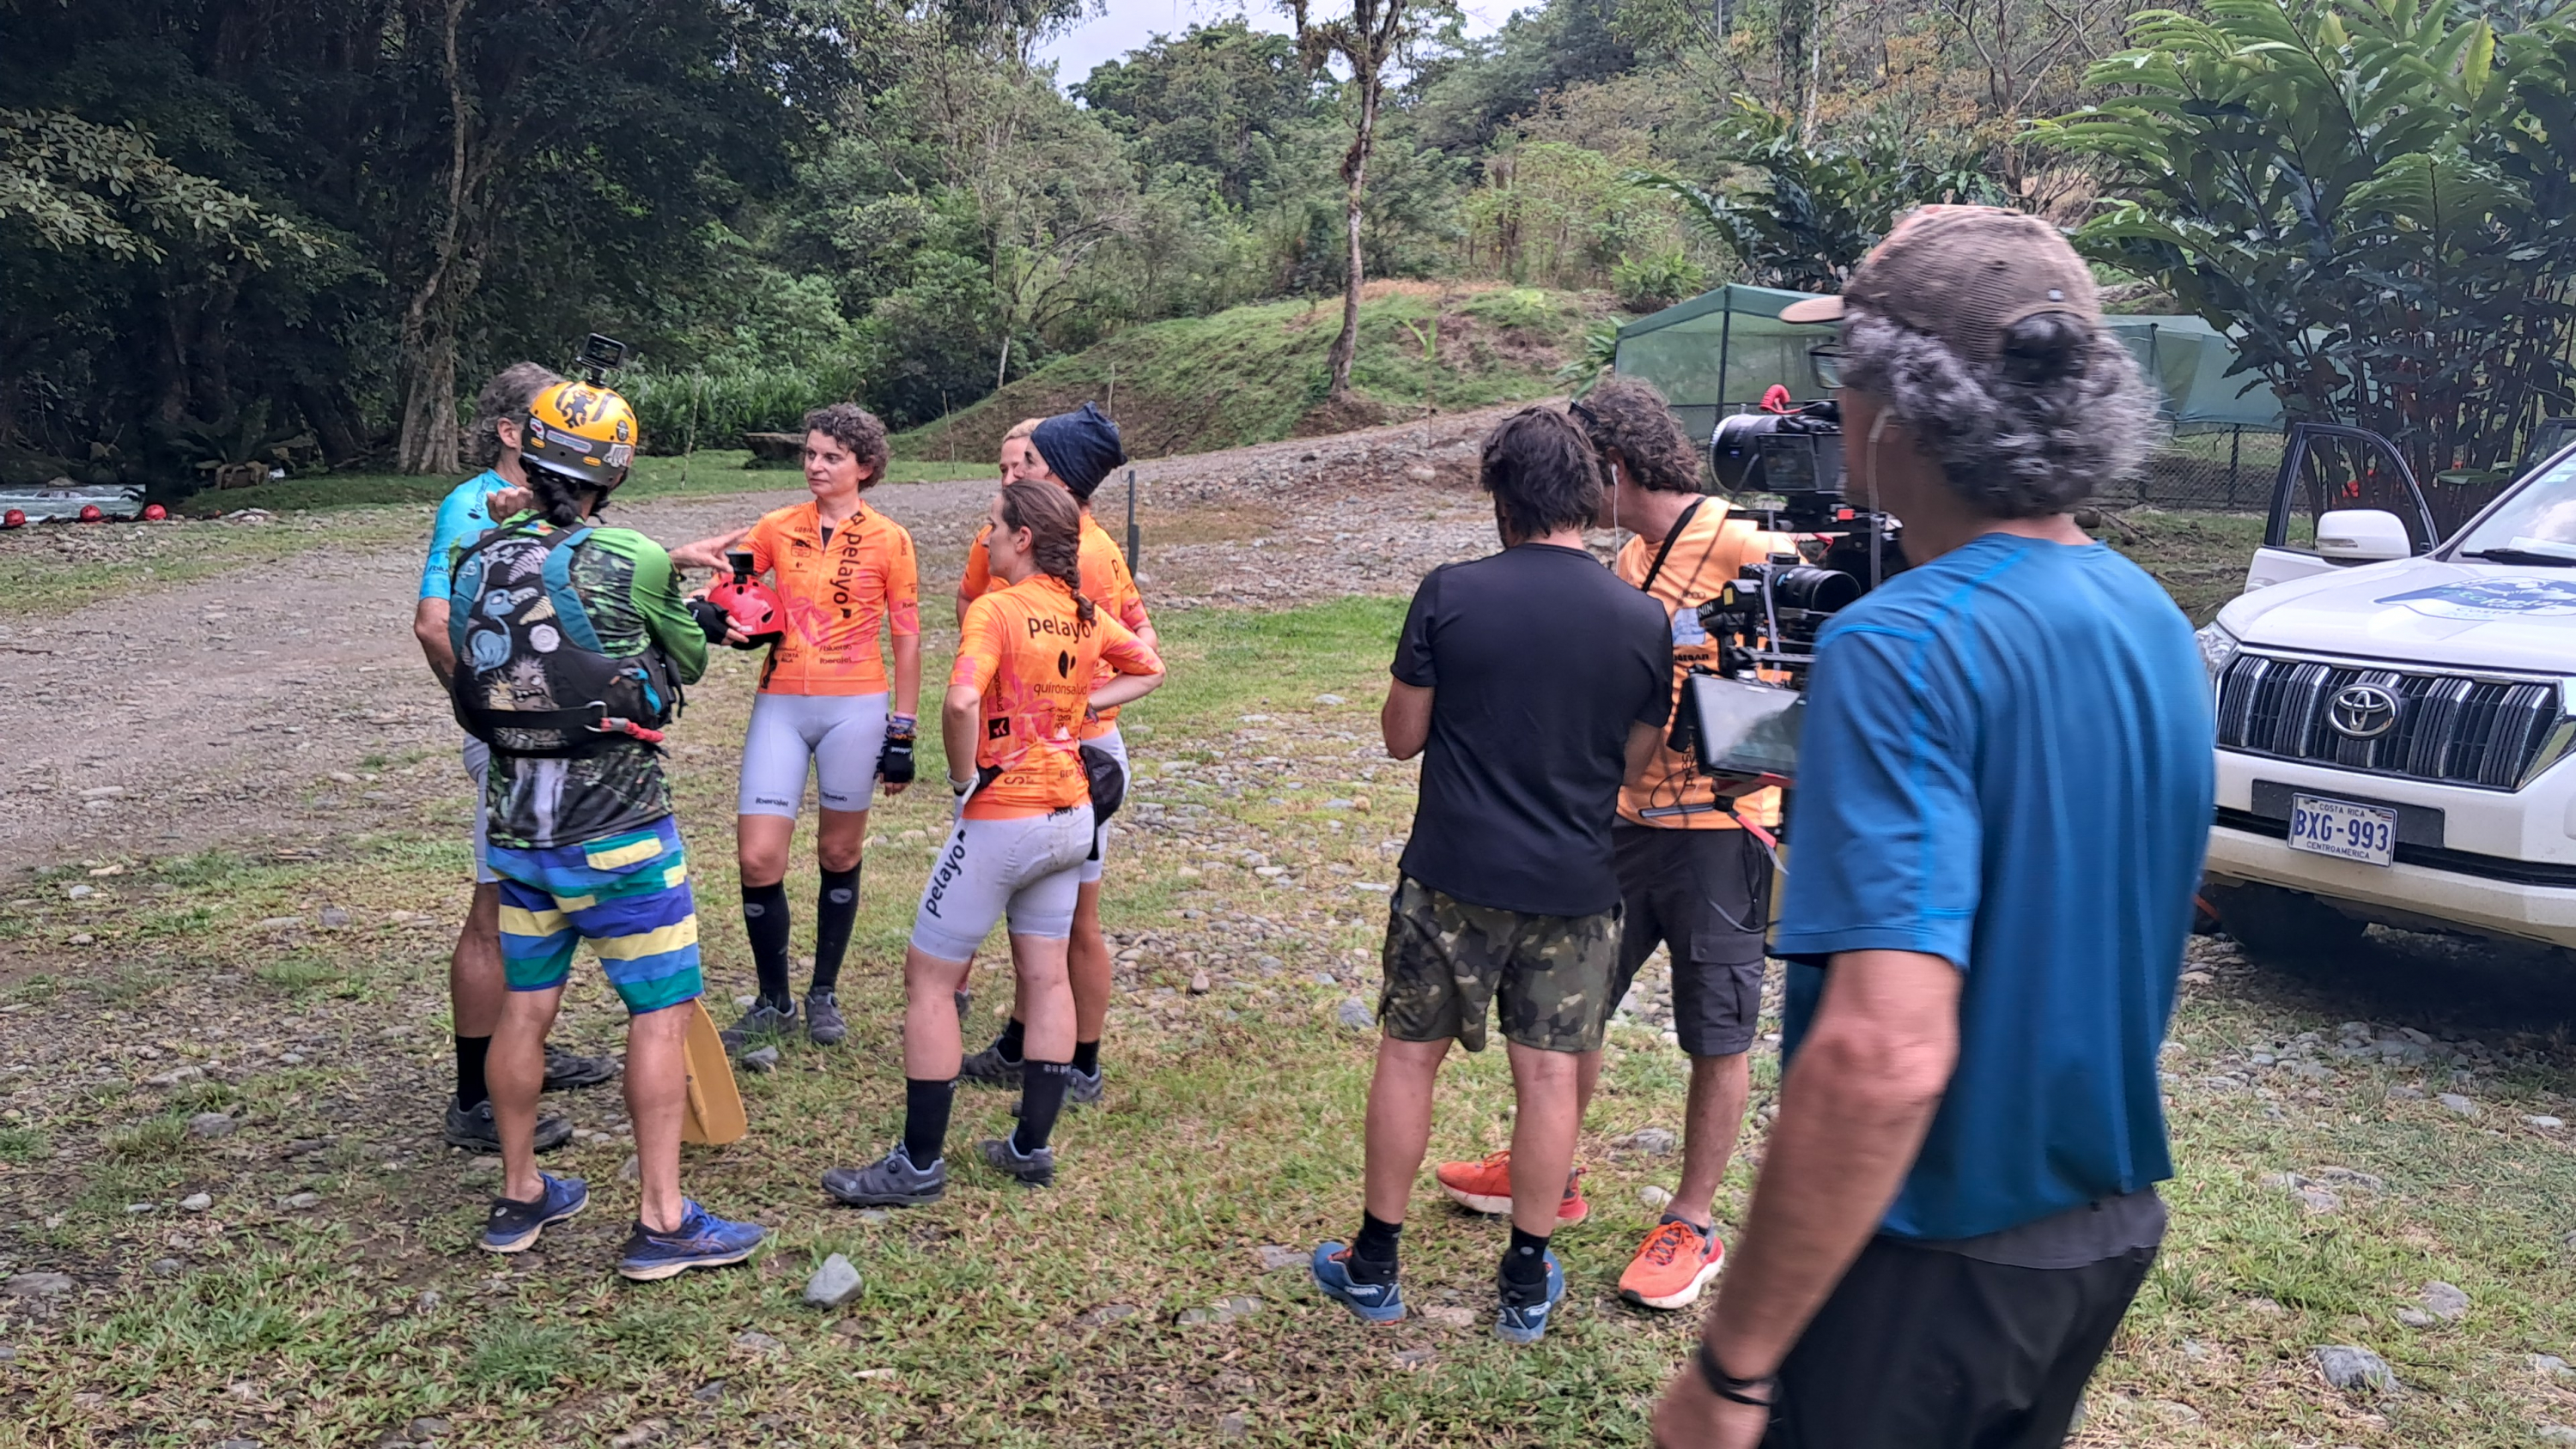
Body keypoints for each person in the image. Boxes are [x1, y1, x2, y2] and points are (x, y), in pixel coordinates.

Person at [1648, 206, 2212, 1448]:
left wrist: (1733, 1368)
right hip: (2096, 1235)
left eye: (1846, 370)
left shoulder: (1901, 644)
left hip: (1928, 1254)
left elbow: (1884, 1052)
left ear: (1900, 409)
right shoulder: (2151, 620)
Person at [1310, 406, 1674, 1346]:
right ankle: (1524, 1279)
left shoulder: (1451, 593)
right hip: (1575, 884)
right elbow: (1635, 767)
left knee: (1408, 1055)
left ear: (1501, 497)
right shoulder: (1642, 619)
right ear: (1588, 494)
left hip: (1451, 872)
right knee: (1549, 1078)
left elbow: (1401, 738)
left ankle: (1376, 1264)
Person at [452, 376, 767, 1280]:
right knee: (658, 1014)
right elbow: (689, 657)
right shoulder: (636, 555)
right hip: (621, 827)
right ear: (616, 471)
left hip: (519, 826)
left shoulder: (478, 555)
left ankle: (521, 1192)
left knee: (526, 1007)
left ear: (528, 452)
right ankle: (661, 1219)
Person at [821, 479, 1163, 1206]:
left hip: (1004, 815)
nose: (986, 537)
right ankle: (1030, 1148)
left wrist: (962, 777)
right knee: (1046, 976)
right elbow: (1150, 667)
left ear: (1023, 539)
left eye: (993, 525)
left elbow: (960, 699)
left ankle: (918, 1165)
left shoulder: (996, 609)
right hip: (1072, 813)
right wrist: (1079, 709)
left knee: (929, 980)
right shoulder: (1082, 611)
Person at [410, 362, 617, 1152]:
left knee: (539, 901)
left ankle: (520, 1048)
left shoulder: (544, 502)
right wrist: (484, 714)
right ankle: (474, 1098)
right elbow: (434, 623)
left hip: (545, 726)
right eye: (551, 419)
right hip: (511, 730)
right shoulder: (474, 505)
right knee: (495, 906)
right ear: (510, 432)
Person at [955, 405, 1157, 1108]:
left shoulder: (1089, 553)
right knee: (1035, 913)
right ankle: (1022, 1040)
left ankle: (1084, 1063)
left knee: (1073, 918)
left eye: (1031, 463)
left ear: (1063, 479)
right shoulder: (1033, 536)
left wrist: (1080, 703)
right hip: (1024, 745)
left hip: (1076, 754)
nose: (1016, 473)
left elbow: (1142, 646)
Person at [720, 403, 922, 1051]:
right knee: (758, 857)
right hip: (780, 702)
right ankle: (773, 1000)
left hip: (855, 705)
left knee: (838, 853)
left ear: (865, 466)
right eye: (810, 454)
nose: (815, 465)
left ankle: (823, 992)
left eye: (832, 457)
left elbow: (907, 637)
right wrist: (718, 613)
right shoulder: (778, 526)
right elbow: (730, 582)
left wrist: (903, 731)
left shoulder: (891, 539)